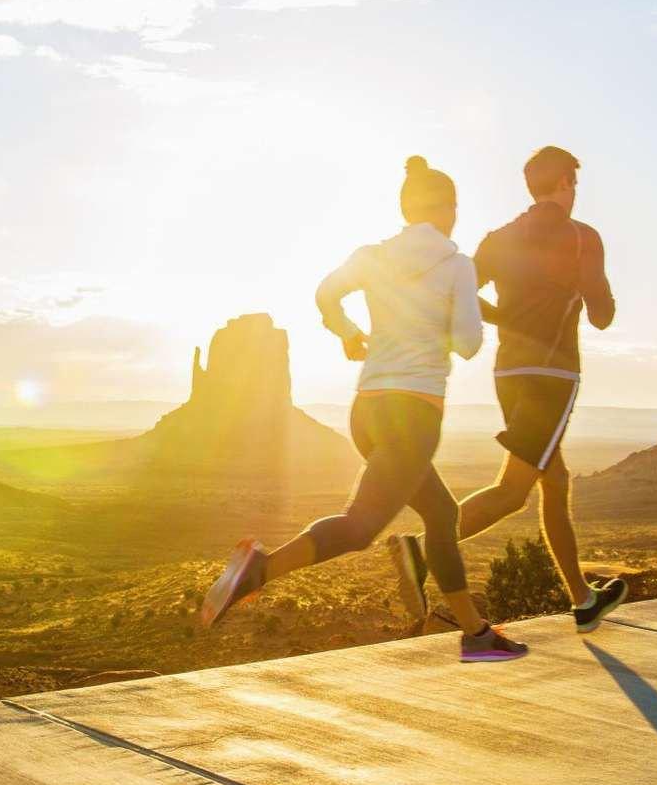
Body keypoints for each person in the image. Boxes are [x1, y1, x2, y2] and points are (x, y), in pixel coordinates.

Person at [198, 157, 528, 662]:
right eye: (455, 208)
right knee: (360, 528)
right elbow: (467, 342)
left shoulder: (373, 256)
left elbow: (325, 294)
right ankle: (260, 568)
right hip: (413, 414)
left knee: (442, 513)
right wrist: (447, 317)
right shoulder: (456, 264)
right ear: (444, 209)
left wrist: (350, 332)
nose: (456, 217)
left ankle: (475, 633)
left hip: (367, 410)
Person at [388, 145, 628, 633]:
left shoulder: (499, 238)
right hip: (553, 375)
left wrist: (506, 317)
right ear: (564, 182)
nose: (576, 192)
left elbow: (461, 288)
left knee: (554, 480)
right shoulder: (582, 237)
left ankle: (583, 599)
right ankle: (422, 550)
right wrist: (594, 299)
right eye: (574, 183)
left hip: (509, 374)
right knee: (513, 491)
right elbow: (602, 314)